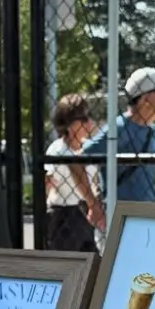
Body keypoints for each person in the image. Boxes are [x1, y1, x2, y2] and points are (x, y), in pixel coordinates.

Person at [81, 66, 155, 208]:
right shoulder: (119, 128)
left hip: (147, 212)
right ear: (144, 98)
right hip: (119, 215)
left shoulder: (153, 131)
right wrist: (93, 204)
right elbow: (78, 159)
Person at [44, 94, 101, 250]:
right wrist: (94, 205)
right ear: (69, 124)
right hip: (64, 214)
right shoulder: (59, 148)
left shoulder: (88, 148)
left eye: (89, 117)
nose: (89, 122)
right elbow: (76, 175)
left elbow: (93, 180)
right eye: (83, 119)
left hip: (84, 212)